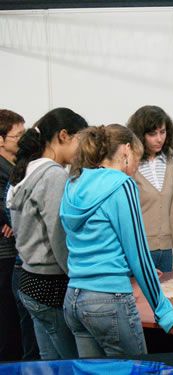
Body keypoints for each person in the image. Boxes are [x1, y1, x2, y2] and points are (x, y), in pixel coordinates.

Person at [60, 125, 173, 358]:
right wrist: (164, 310)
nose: (137, 166)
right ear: (127, 150)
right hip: (109, 300)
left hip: (75, 297)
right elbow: (138, 253)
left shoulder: (73, 183)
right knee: (135, 370)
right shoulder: (121, 184)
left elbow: (92, 243)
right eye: (138, 157)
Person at [7, 107, 88, 360]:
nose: (82, 150)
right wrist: (79, 277)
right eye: (80, 141)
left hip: (29, 280)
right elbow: (59, 236)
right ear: (64, 135)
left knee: (49, 362)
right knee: (70, 363)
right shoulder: (52, 175)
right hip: (50, 284)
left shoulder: (27, 169)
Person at [127, 106, 173, 273]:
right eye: (152, 134)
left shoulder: (169, 164)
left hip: (166, 252)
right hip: (140, 251)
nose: (159, 139)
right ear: (140, 135)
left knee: (166, 298)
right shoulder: (131, 166)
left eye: (162, 132)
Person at [0, 109, 24, 360]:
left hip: (14, 249)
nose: (23, 139)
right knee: (7, 318)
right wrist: (9, 219)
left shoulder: (15, 166)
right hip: (5, 253)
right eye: (18, 136)